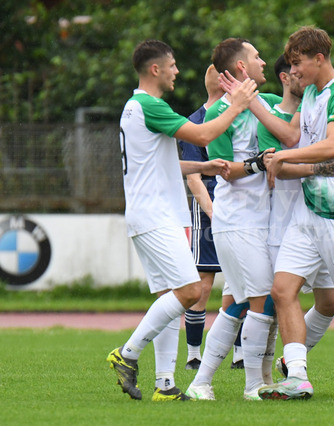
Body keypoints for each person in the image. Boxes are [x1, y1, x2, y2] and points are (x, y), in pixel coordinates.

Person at [235, 26, 334, 400]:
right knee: (283, 291)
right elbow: (292, 136)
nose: (293, 71)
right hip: (305, 211)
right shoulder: (311, 93)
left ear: (319, 59)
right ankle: (297, 376)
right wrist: (277, 151)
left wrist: (283, 157)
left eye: (298, 63)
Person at [107, 39, 256, 401]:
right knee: (190, 292)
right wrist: (237, 105)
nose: (177, 71)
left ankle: (165, 385)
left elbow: (160, 163)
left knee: (169, 298)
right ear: (155, 69)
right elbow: (204, 133)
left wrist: (202, 166)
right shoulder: (150, 105)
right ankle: (127, 353)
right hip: (156, 215)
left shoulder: (134, 107)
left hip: (147, 214)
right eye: (172, 65)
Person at [185, 38, 282, 401]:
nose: (263, 62)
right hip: (237, 221)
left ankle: (201, 382)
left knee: (239, 304)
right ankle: (254, 385)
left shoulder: (266, 103)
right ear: (242, 66)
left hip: (262, 220)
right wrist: (260, 163)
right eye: (256, 56)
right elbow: (224, 169)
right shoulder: (219, 113)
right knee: (261, 300)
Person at [260, 55, 334, 379]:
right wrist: (318, 167)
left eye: (300, 65)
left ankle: (291, 365)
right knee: (268, 299)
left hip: (319, 210)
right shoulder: (270, 117)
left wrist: (296, 161)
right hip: (282, 219)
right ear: (286, 77)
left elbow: (318, 146)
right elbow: (284, 152)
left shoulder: (321, 98)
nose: (298, 73)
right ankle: (254, 380)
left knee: (331, 301)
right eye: (293, 69)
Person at [177, 64, 245, 371]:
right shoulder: (195, 122)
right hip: (210, 208)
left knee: (243, 280)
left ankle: (241, 353)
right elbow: (194, 177)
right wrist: (214, 213)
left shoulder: (244, 114)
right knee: (204, 283)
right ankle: (194, 353)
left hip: (242, 206)